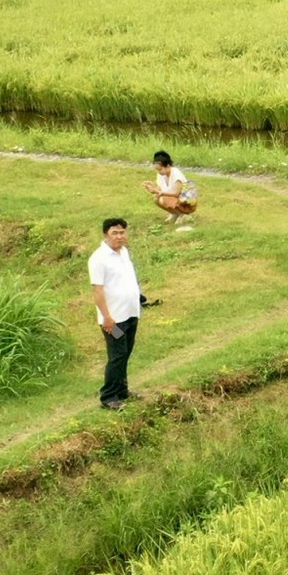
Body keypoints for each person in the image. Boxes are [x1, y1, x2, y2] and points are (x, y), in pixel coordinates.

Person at [89, 217, 143, 409]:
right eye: (115, 233)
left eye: (122, 232)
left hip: (130, 314)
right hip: (114, 320)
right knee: (117, 355)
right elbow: (98, 290)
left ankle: (122, 390)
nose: (119, 237)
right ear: (106, 235)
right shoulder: (98, 259)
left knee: (126, 352)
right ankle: (109, 396)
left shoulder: (124, 253)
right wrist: (107, 317)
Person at [145, 151, 197, 226]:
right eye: (157, 170)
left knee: (163, 199)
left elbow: (176, 193)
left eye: (160, 169)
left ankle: (183, 215)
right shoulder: (161, 175)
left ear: (168, 166)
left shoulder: (176, 175)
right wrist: (152, 188)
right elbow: (160, 189)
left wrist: (159, 192)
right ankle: (175, 214)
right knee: (156, 198)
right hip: (174, 199)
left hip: (185, 202)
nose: (159, 172)